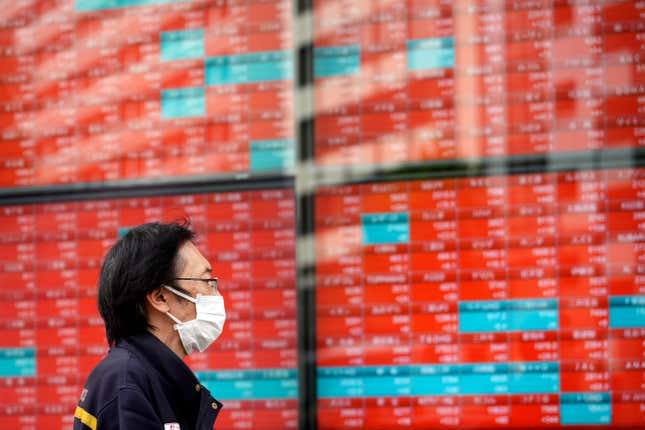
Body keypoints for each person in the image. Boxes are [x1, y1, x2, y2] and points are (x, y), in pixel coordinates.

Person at [73, 222, 226, 430]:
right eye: (206, 281)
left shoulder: (151, 377)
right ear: (161, 298)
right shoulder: (127, 383)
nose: (215, 294)